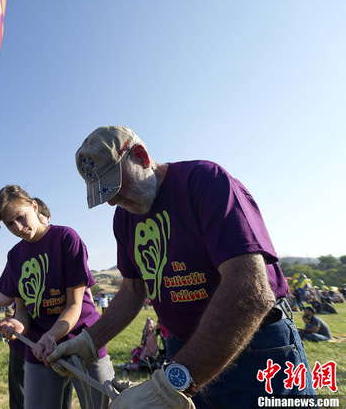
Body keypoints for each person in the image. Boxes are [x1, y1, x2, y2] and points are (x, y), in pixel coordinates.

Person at [47, 126, 316, 409]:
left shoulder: (204, 182)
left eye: (115, 185)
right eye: (104, 192)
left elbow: (249, 290)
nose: (112, 200)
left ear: (140, 156)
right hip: (183, 351)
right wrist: (89, 342)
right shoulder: (124, 218)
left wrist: (173, 382)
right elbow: (132, 290)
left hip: (254, 350)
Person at [0, 186, 114, 409]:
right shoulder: (15, 256)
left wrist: (51, 335)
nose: (18, 227)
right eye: (9, 224)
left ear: (34, 206)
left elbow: (75, 304)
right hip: (40, 350)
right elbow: (19, 307)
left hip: (83, 341)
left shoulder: (66, 238)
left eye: (21, 217)